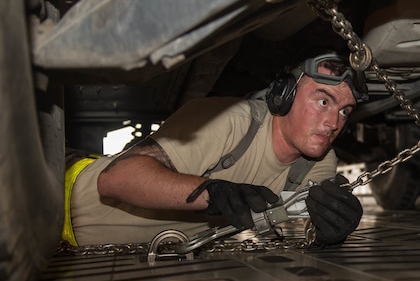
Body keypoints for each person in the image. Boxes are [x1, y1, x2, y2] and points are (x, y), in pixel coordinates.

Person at [64, 52, 367, 247]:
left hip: (91, 256)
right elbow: (115, 180)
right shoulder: (231, 121)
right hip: (56, 199)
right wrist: (214, 193)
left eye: (344, 111)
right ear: (283, 94)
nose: (332, 123)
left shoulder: (320, 162)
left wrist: (333, 229)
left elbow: (309, 225)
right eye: (323, 101)